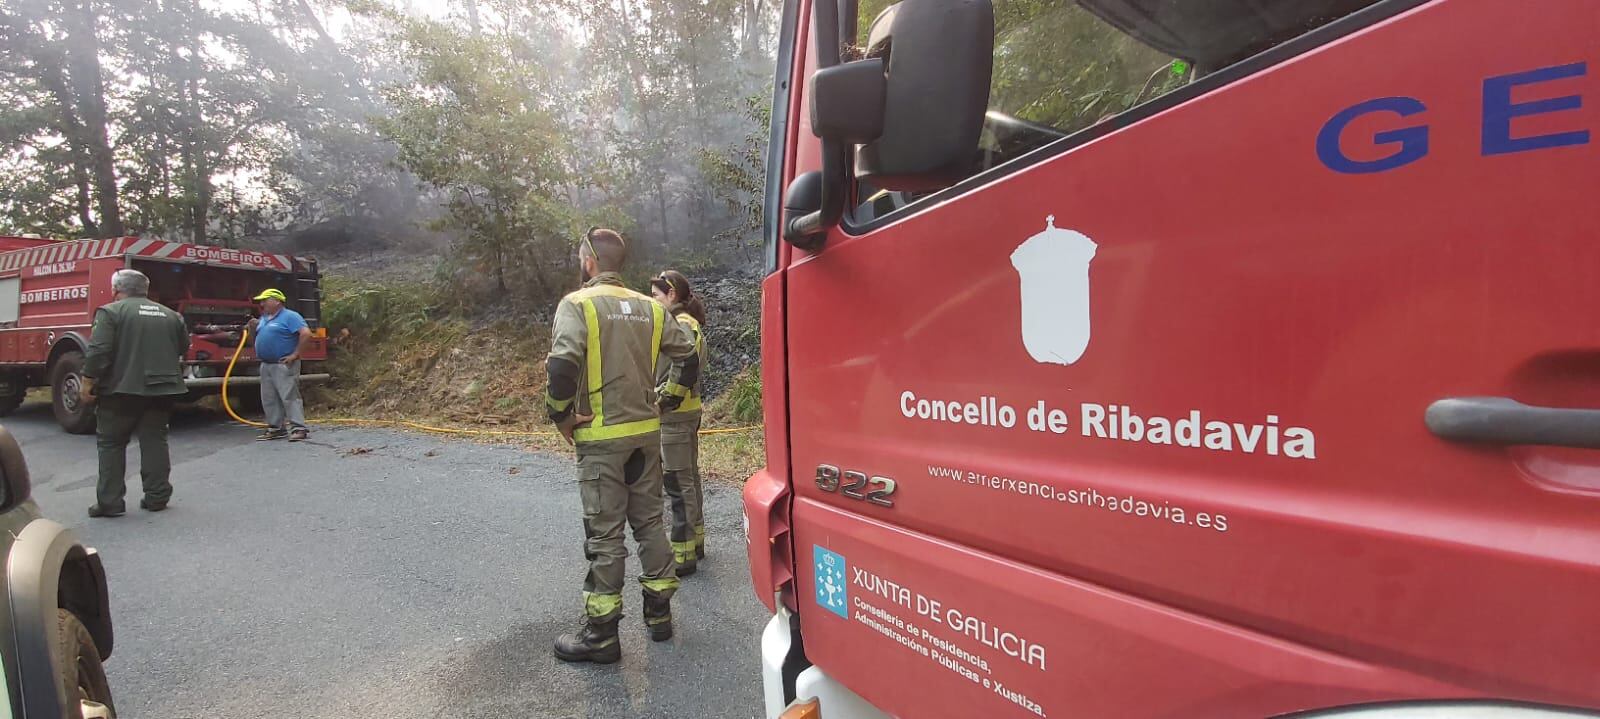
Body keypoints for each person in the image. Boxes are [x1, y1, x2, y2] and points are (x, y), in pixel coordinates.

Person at [545, 228, 700, 664]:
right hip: (646, 436)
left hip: (600, 442)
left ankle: (602, 636)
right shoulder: (651, 308)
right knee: (650, 522)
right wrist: (667, 399)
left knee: (605, 534)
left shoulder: (576, 304)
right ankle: (659, 615)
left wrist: (560, 416)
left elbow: (561, 365)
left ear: (589, 261)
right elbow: (687, 355)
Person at [82, 269, 190, 517]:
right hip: (162, 390)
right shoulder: (171, 315)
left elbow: (98, 351)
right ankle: (157, 497)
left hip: (121, 390)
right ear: (145, 289)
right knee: (155, 441)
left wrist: (87, 382)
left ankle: (110, 502)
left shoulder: (110, 312)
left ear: (116, 290)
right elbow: (183, 346)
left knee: (111, 444)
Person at [649, 270, 708, 576]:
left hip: (675, 415)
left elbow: (683, 367)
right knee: (689, 477)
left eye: (656, 295)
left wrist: (661, 401)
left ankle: (683, 553)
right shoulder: (687, 323)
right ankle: (695, 541)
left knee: (677, 481)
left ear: (671, 295)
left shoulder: (681, 325)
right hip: (687, 412)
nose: (652, 301)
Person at [249, 288, 311, 442]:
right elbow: (256, 338)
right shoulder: (264, 318)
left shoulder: (290, 316)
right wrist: (252, 329)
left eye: (265, 300)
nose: (262, 303)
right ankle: (276, 428)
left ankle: (298, 428)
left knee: (289, 396)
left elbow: (306, 334)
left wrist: (295, 354)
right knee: (269, 397)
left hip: (283, 363)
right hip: (266, 364)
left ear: (277, 301)